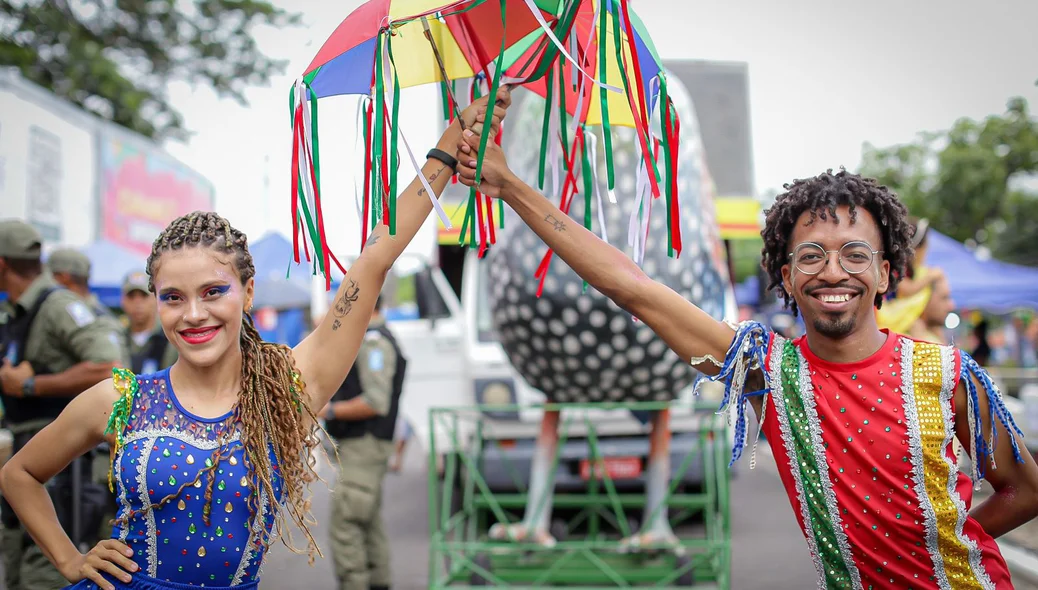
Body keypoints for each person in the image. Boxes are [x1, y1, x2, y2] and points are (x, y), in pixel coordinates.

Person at [453, 125, 1038, 587]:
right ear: (786, 275)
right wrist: (512, 187)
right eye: (811, 256)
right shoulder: (769, 373)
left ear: (886, 272)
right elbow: (631, 286)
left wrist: (937, 550)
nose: (833, 271)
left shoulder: (948, 372)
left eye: (855, 254)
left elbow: (1024, 489)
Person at [0, 88, 509, 590]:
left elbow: (375, 259)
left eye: (213, 291)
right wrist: (70, 560)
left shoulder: (287, 388)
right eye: (172, 297)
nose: (193, 314)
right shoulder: (121, 400)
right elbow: (19, 474)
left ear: (247, 292)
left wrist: (450, 142)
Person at [0, 220, 126, 590]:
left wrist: (31, 384)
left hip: (59, 463)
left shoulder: (58, 305)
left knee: (43, 577)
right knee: (18, 568)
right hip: (28, 455)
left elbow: (111, 366)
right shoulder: (20, 312)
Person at [320, 296, 406, 590]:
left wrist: (328, 410)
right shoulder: (370, 338)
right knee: (367, 522)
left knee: (347, 524)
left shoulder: (373, 342)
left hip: (365, 445)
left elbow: (375, 401)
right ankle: (379, 581)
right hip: (364, 445)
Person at [47, 248, 132, 369]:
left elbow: (113, 371)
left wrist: (37, 384)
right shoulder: (95, 313)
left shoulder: (98, 318)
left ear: (62, 277)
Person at [120, 270, 178, 374]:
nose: (137, 303)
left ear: (155, 299)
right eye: (131, 297)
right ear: (123, 301)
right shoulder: (118, 337)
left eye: (144, 296)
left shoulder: (170, 336)